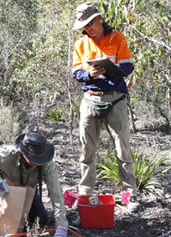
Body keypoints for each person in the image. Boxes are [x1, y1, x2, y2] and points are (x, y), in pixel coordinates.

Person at [72, 2, 138, 209]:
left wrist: (108, 69)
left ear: (98, 19)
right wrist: (88, 74)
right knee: (87, 151)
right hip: (90, 100)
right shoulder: (81, 44)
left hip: (115, 99)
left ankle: (129, 196)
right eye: (84, 25)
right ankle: (84, 196)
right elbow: (76, 73)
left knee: (122, 150)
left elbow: (127, 66)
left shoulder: (117, 38)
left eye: (90, 23)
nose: (87, 28)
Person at [0, 131, 68, 237]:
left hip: (28, 192)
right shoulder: (7, 156)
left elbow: (56, 193)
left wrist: (61, 227)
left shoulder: (47, 164)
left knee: (41, 219)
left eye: (40, 159)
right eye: (33, 158)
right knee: (17, 229)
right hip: (7, 192)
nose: (36, 162)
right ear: (23, 153)